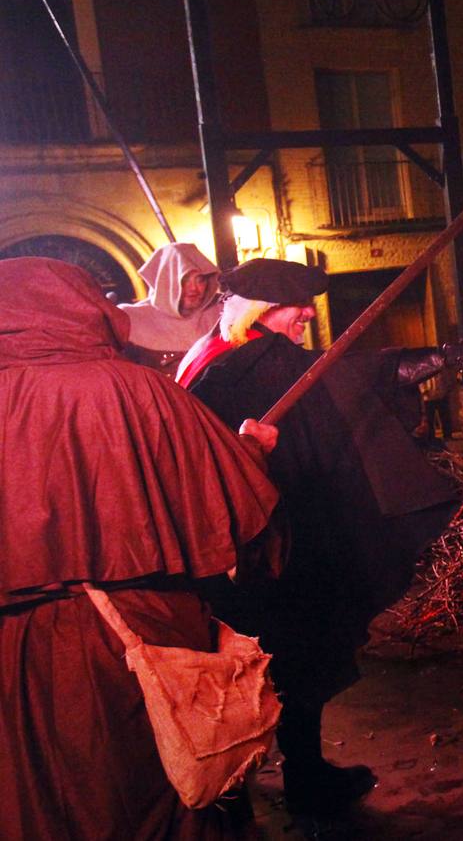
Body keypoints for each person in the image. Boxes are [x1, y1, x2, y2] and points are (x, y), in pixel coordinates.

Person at [0, 257, 280, 840]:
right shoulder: (138, 391)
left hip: (17, 656)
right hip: (144, 642)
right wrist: (253, 453)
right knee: (164, 793)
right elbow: (242, 520)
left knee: (39, 798)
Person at [180, 257, 463, 816]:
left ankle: (237, 782)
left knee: (247, 661)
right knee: (297, 658)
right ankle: (302, 778)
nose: (308, 315)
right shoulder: (264, 365)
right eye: (297, 307)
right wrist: (427, 361)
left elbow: (345, 373)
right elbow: (356, 378)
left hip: (231, 550)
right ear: (265, 312)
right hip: (285, 547)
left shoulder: (209, 361)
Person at [117, 242, 222, 377]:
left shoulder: (222, 311)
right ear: (165, 281)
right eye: (184, 280)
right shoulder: (129, 318)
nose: (194, 288)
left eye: (200, 280)